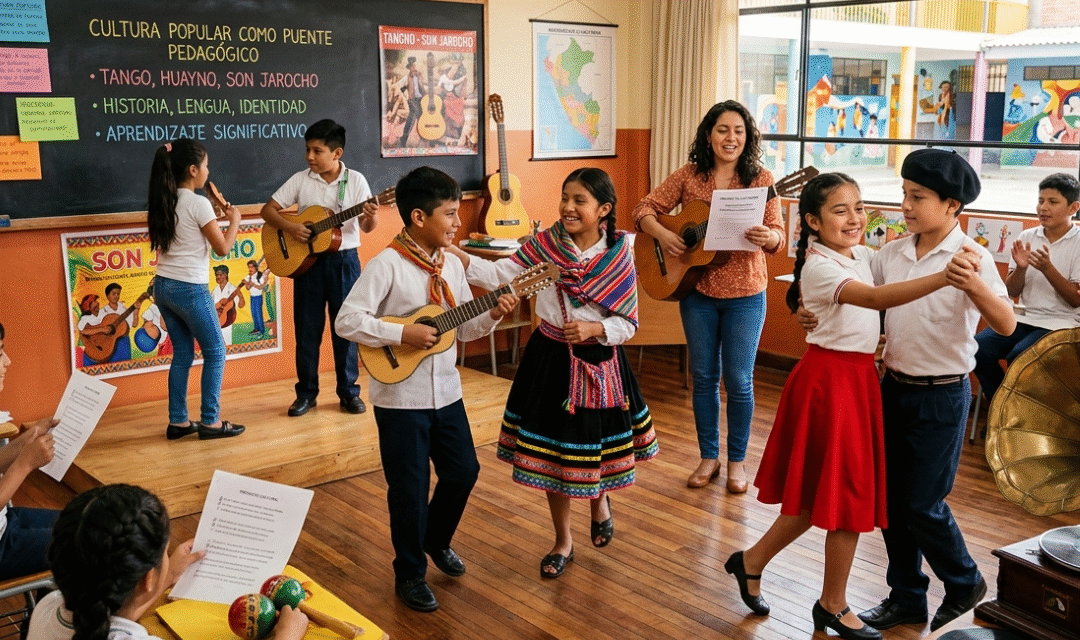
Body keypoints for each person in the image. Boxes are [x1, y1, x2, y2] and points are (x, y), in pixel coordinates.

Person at [724, 174, 976, 639]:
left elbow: (873, 286)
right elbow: (876, 298)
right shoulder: (821, 266)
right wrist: (944, 276)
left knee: (820, 495)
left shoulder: (861, 255)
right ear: (814, 223)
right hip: (830, 382)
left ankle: (751, 561)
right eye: (840, 211)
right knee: (849, 497)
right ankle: (833, 605)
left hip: (856, 380)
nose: (855, 218)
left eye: (859, 208)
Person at [797, 149, 1016, 632]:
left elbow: (1005, 322)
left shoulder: (973, 256)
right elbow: (854, 291)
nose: (906, 206)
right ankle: (907, 597)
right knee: (891, 504)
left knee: (922, 503)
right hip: (891, 387)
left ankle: (964, 581)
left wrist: (976, 287)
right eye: (904, 195)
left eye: (917, 197)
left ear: (952, 205)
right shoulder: (892, 252)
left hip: (942, 395)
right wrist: (804, 311)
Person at [451, 168, 659, 580]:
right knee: (554, 459)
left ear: (604, 210)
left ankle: (599, 499)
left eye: (579, 200)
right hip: (550, 363)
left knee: (590, 449)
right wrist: (451, 250)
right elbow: (497, 276)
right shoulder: (545, 246)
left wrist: (595, 328)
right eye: (565, 197)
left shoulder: (618, 257)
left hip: (600, 366)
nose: (567, 207)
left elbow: (629, 324)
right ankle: (563, 540)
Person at [334, 166, 517, 613]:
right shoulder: (387, 265)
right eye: (450, 214)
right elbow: (346, 320)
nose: (458, 223)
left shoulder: (450, 264)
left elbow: (462, 329)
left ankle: (436, 540)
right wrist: (402, 336)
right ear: (418, 217)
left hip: (447, 393)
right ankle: (410, 573)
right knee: (410, 490)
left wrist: (493, 313)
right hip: (401, 400)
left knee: (464, 472)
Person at [632, 100, 784, 493]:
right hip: (696, 291)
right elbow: (644, 209)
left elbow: (778, 236)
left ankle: (736, 463)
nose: (730, 138)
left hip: (746, 293)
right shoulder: (689, 176)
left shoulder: (762, 179)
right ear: (708, 135)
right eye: (722, 130)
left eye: (738, 131)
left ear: (748, 137)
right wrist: (666, 235)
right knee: (703, 378)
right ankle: (708, 458)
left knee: (739, 381)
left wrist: (769, 238)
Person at [26, 483, 308, 640]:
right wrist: (286, 637)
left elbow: (110, 613)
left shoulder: (45, 609)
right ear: (146, 578)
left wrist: (167, 574)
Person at [260, 119, 378, 417]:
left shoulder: (357, 181)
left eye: (317, 151)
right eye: (307, 150)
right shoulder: (301, 180)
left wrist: (371, 215)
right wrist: (292, 227)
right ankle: (306, 394)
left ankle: (349, 393)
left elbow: (366, 226)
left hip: (344, 263)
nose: (309, 157)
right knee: (307, 330)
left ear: (336, 153)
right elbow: (268, 210)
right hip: (307, 264)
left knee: (347, 329)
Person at [147, 139, 245, 441]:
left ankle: (178, 422)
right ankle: (210, 422)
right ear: (192, 170)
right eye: (205, 166)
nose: (207, 171)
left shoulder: (164, 198)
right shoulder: (198, 203)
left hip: (163, 287)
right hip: (190, 290)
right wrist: (235, 221)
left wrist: (215, 216)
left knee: (183, 355)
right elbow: (222, 248)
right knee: (216, 351)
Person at [974, 172, 1080, 404]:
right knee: (978, 349)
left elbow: (1075, 300)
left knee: (1019, 356)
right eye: (1041, 201)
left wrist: (1047, 268)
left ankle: (1017, 418)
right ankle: (1000, 411)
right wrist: (1021, 268)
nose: (1043, 207)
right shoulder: (1027, 236)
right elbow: (1011, 292)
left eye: (1053, 202)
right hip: (1025, 317)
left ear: (1073, 207)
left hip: (1063, 323)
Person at [0, 320, 59, 581]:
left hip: (5, 522)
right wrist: (24, 463)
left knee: (84, 517)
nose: (8, 361)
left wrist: (26, 441)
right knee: (91, 541)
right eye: (0, 352)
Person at [211, 264, 244, 345]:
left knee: (227, 344)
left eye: (220, 274)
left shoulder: (232, 288)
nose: (218, 277)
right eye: (217, 275)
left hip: (228, 321)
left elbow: (241, 305)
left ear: (225, 275)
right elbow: (211, 306)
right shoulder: (215, 290)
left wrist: (240, 296)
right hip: (216, 321)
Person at [243, 259, 269, 337]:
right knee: (254, 313)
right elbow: (247, 287)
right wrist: (247, 284)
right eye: (249, 267)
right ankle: (256, 328)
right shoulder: (249, 276)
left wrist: (253, 284)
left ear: (256, 267)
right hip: (252, 297)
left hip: (258, 297)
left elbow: (261, 287)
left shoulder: (259, 275)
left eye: (252, 267)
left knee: (258, 314)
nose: (250, 269)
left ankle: (261, 330)